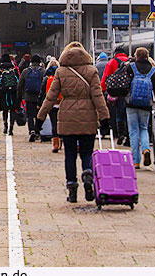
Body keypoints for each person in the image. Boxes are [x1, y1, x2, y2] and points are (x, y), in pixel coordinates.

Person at [38, 41, 110, 203]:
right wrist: (104, 117)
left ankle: (72, 189)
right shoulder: (91, 71)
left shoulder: (61, 72)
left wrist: (40, 118)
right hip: (88, 118)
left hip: (67, 119)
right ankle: (88, 174)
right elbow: (98, 96)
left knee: (70, 155)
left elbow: (51, 97)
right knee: (86, 153)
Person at [124, 47, 155, 169]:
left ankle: (136, 161)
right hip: (146, 105)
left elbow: (125, 85)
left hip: (131, 104)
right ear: (147, 57)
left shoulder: (130, 68)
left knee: (133, 131)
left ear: (136, 56)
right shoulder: (154, 71)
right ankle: (146, 149)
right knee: (144, 129)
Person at [101, 46, 130, 144]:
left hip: (116, 92)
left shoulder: (112, 62)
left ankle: (120, 133)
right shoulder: (130, 62)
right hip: (128, 92)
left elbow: (106, 77)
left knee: (118, 114)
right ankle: (128, 136)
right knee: (128, 115)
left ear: (115, 53)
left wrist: (103, 90)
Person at [18, 55, 45, 142]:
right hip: (39, 98)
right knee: (38, 115)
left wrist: (19, 96)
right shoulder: (43, 71)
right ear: (39, 62)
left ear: (31, 62)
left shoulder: (26, 71)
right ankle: (37, 131)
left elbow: (20, 84)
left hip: (28, 97)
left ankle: (31, 130)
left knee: (29, 115)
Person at [38, 58, 61, 153]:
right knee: (61, 124)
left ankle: (55, 144)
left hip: (51, 104)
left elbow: (42, 92)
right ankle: (61, 142)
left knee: (54, 124)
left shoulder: (46, 78)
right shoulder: (62, 76)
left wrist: (40, 103)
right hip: (62, 104)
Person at [0, 54, 20, 136]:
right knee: (12, 110)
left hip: (3, 93)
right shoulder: (14, 68)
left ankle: (5, 126)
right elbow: (18, 81)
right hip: (13, 93)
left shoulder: (0, 69)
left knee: (4, 110)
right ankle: (11, 128)